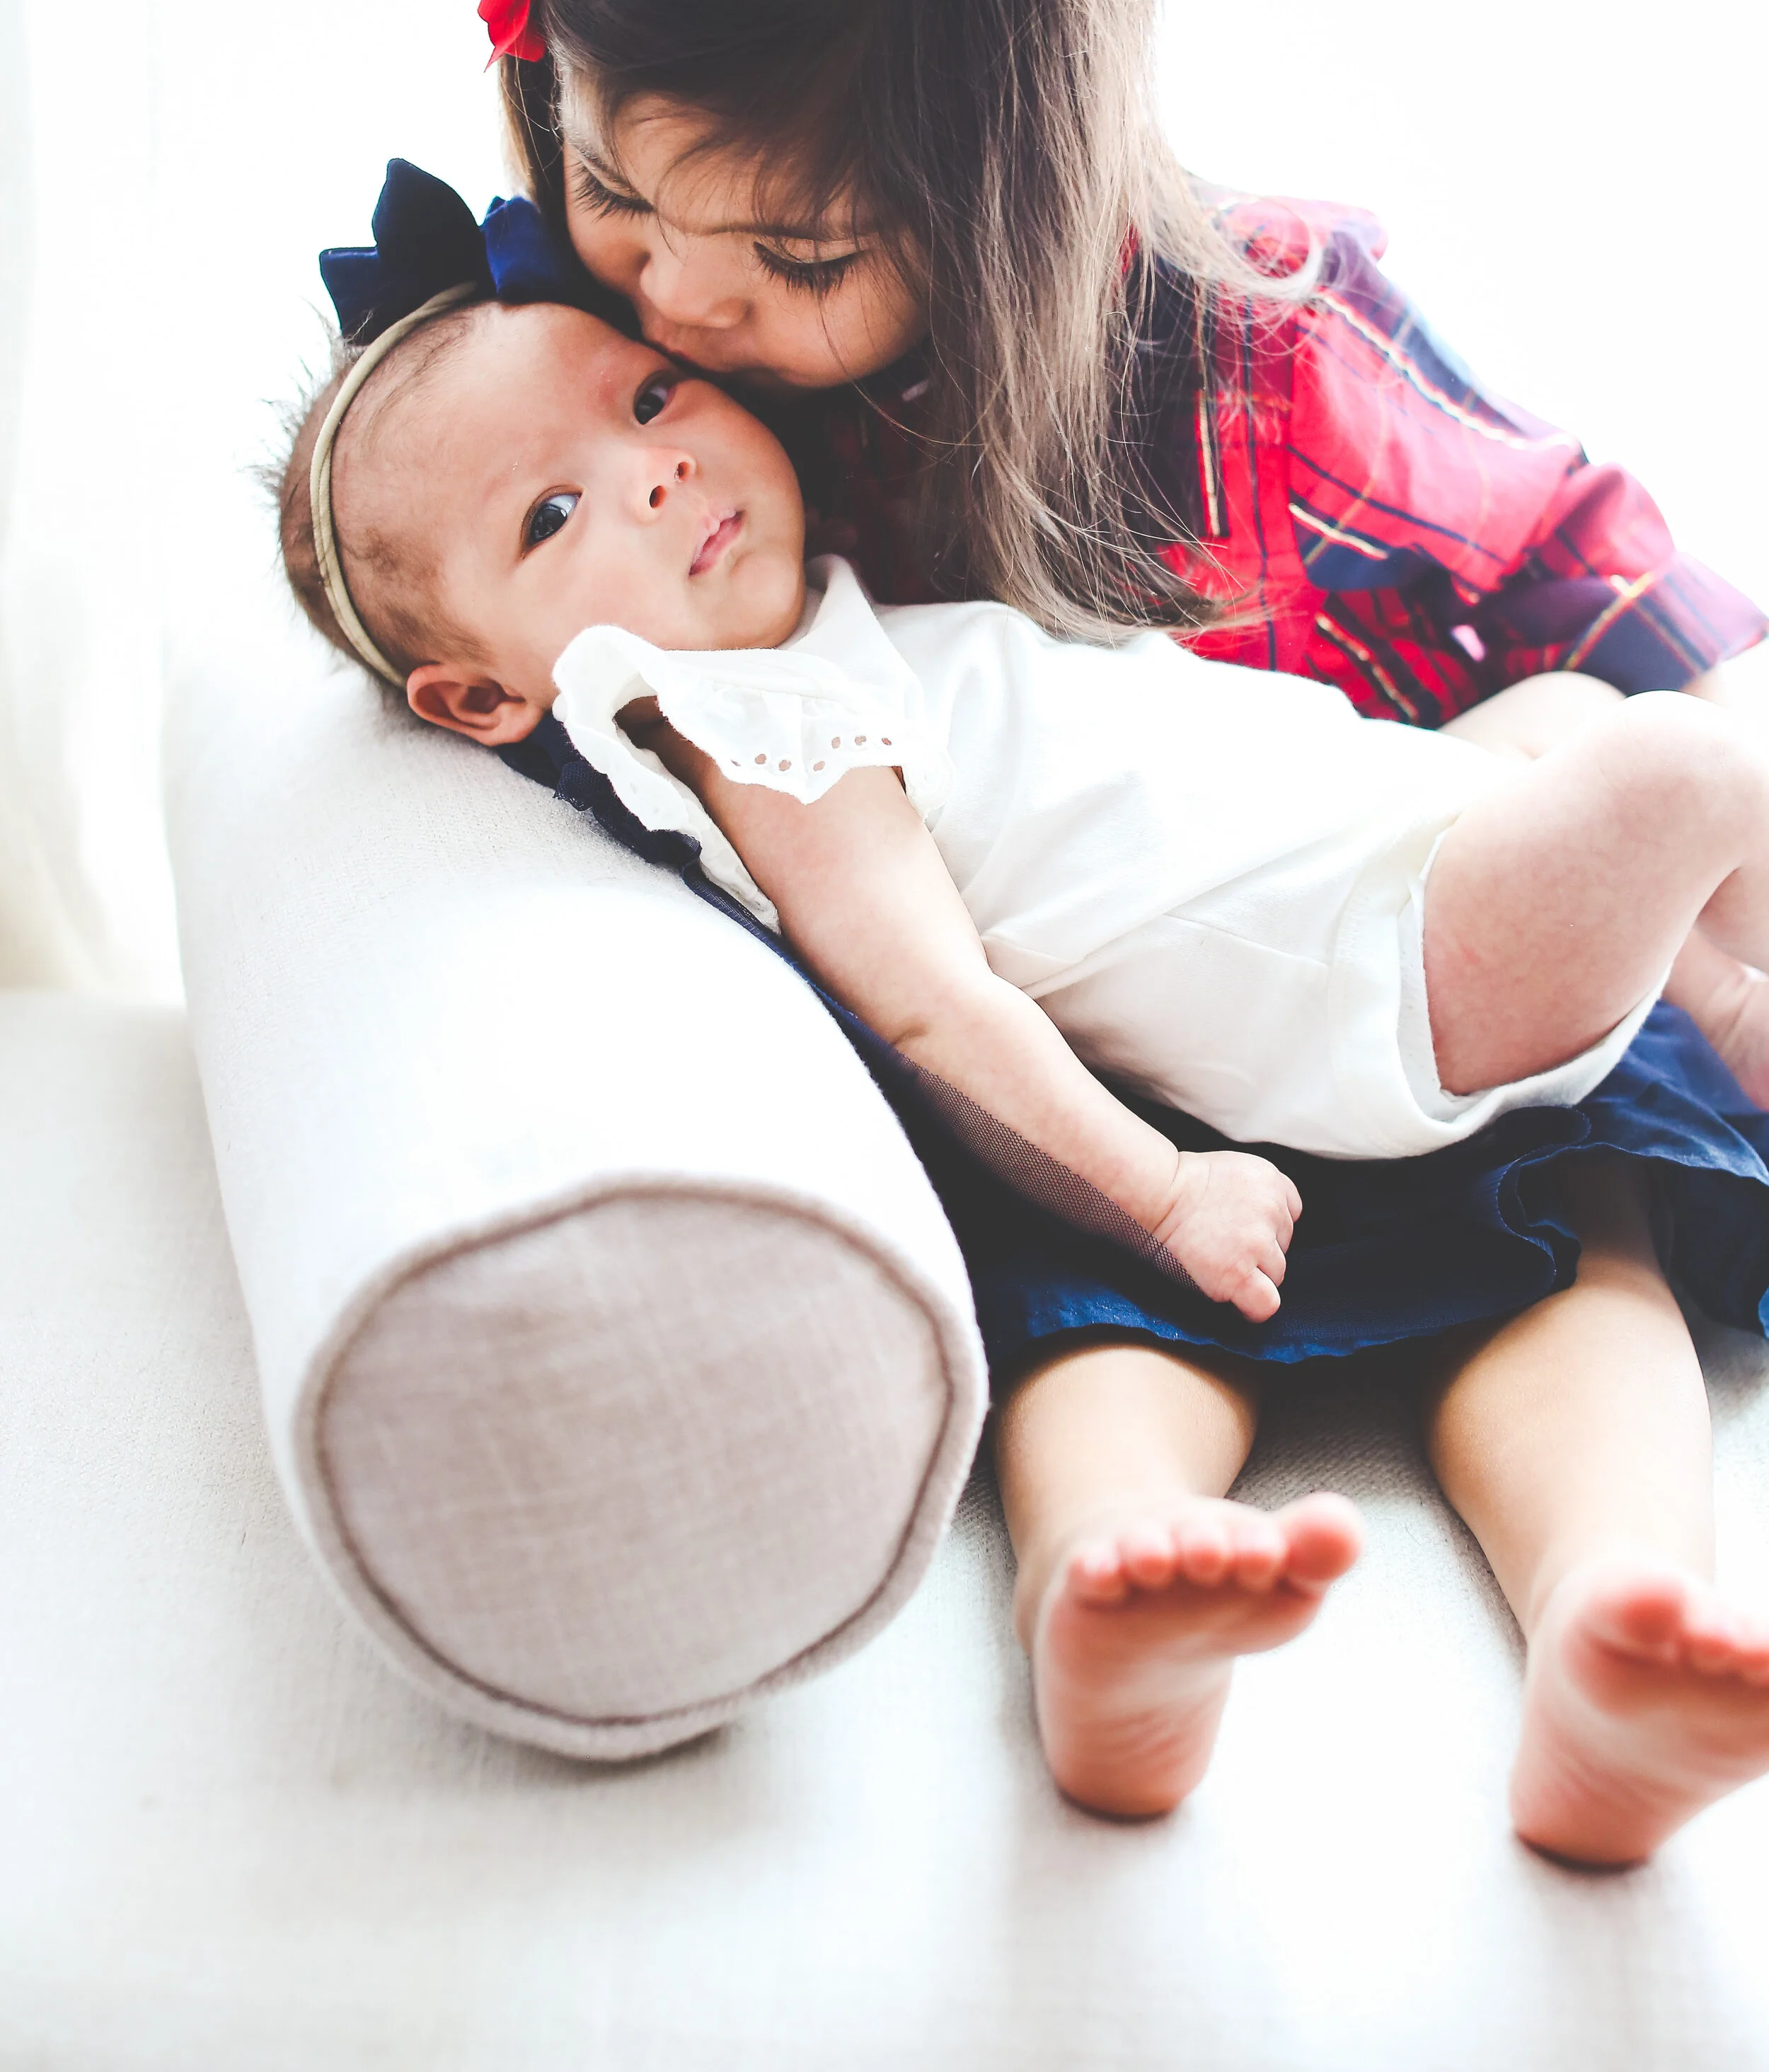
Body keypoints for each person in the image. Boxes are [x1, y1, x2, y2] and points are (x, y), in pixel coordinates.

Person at [276, 192, 1769, 1858]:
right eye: (554, 515)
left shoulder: (819, 626)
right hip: (1375, 961)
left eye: (644, 400)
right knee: (1693, 766)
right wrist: (1154, 1193)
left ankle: (1519, 1647)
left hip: (1377, 857)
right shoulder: (758, 730)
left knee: (1564, 714)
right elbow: (929, 993)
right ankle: (1711, 1004)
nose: (654, 473)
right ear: (483, 698)